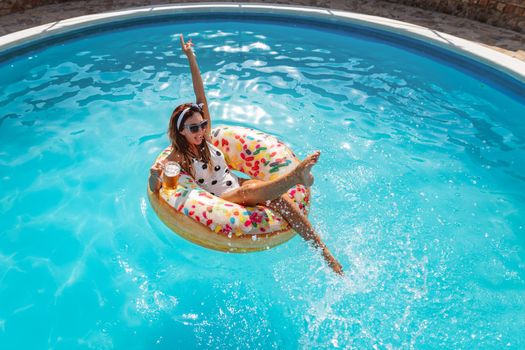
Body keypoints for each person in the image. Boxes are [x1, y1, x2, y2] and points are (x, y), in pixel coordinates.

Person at [149, 34, 344, 276]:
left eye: (203, 125)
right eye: (194, 128)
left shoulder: (207, 137)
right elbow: (157, 184)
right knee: (249, 190)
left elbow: (201, 94)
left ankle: (325, 253)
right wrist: (153, 177)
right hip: (224, 198)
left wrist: (191, 57)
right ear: (181, 131)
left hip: (236, 184)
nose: (200, 131)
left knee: (279, 201)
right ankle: (295, 178)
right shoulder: (179, 156)